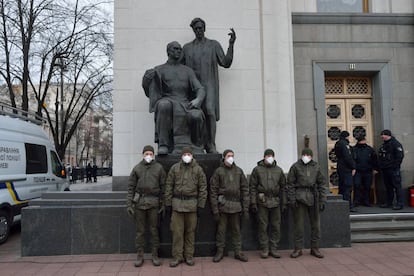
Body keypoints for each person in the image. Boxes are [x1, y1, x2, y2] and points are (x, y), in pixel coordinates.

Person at [182, 18, 236, 153]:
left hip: (209, 84)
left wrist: (231, 44)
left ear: (204, 29)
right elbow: (178, 66)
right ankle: (197, 144)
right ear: (193, 30)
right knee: (194, 115)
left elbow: (226, 62)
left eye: (201, 28)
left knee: (210, 112)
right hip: (193, 87)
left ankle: (211, 144)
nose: (199, 30)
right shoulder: (187, 48)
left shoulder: (213, 45)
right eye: (196, 28)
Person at [142, 41, 206, 155]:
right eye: (175, 49)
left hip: (185, 103)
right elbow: (150, 92)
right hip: (168, 100)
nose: (178, 51)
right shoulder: (159, 69)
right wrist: (146, 80)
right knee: (163, 105)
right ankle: (164, 144)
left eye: (180, 49)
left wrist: (198, 100)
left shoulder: (187, 71)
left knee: (196, 115)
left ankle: (196, 146)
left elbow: (200, 89)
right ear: (168, 52)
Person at [164, 147, 207, 267]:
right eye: (185, 154)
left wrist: (201, 205)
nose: (187, 156)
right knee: (177, 233)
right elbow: (169, 186)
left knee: (190, 233)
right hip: (177, 205)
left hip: (192, 206)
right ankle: (177, 257)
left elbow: (203, 188)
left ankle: (189, 256)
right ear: (181, 156)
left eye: (189, 154)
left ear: (192, 156)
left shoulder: (198, 170)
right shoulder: (175, 168)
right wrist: (168, 203)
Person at [126, 145, 166, 267]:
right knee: (140, 232)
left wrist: (163, 203)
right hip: (139, 204)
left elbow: (164, 187)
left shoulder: (159, 168)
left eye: (150, 153)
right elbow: (131, 187)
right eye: (146, 153)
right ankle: (140, 255)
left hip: (154, 203)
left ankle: (155, 255)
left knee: (154, 230)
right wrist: (129, 204)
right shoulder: (137, 168)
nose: (148, 156)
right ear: (143, 155)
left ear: (153, 155)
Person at [210, 149, 249, 262]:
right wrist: (215, 210)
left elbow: (245, 189)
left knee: (236, 230)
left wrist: (245, 208)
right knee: (221, 230)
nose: (231, 158)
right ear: (224, 157)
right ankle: (220, 252)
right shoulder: (218, 172)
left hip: (236, 206)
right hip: (223, 206)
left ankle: (238, 252)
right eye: (228, 156)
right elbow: (213, 191)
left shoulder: (239, 171)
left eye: (232, 155)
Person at [287, 148, 327, 259]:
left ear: (311, 156)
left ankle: (315, 248)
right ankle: (298, 249)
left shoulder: (316, 167)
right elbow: (290, 184)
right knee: (298, 226)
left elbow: (322, 184)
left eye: (308, 155)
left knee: (316, 226)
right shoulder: (295, 167)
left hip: (313, 198)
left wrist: (322, 200)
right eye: (304, 154)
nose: (306, 156)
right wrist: (292, 199)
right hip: (299, 198)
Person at [249, 149, 287, 259]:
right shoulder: (257, 170)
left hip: (275, 201)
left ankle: (273, 247)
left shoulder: (279, 170)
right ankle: (265, 248)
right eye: (268, 156)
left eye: (271, 156)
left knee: (276, 226)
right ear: (264, 157)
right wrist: (253, 202)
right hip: (262, 202)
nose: (269, 157)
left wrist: (284, 202)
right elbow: (252, 187)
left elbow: (284, 188)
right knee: (262, 226)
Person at [378, 130, 404, 210]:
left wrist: (394, 166)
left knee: (397, 186)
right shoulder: (384, 145)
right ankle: (389, 202)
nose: (382, 136)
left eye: (384, 135)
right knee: (388, 187)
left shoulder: (395, 144)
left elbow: (399, 156)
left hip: (393, 169)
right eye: (381, 135)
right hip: (385, 169)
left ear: (388, 135)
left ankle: (400, 203)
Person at [352, 135, 378, 207]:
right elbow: (352, 160)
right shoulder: (354, 149)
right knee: (357, 186)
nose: (363, 142)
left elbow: (374, 159)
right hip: (358, 171)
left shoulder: (369, 149)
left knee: (367, 186)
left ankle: (366, 201)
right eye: (362, 140)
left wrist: (375, 168)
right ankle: (356, 201)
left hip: (368, 171)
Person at [334, 130, 356, 211]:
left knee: (342, 186)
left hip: (340, 166)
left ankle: (340, 205)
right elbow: (347, 157)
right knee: (347, 187)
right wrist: (353, 167)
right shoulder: (344, 144)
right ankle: (348, 206)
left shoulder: (337, 143)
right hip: (346, 168)